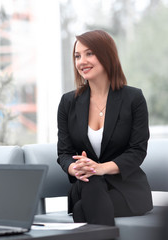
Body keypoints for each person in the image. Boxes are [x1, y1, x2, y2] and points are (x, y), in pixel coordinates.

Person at [57, 30, 152, 226]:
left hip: (125, 189)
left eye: (89, 53)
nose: (82, 61)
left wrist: (100, 168)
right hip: (85, 183)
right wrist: (77, 168)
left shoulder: (133, 99)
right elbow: (64, 153)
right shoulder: (68, 102)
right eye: (77, 56)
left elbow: (137, 152)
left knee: (82, 209)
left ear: (107, 55)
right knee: (91, 183)